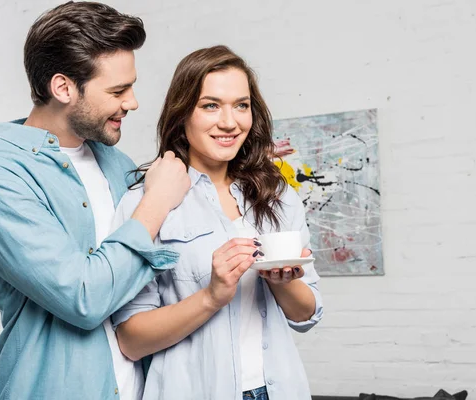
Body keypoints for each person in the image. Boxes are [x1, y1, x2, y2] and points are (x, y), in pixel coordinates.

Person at [0, 2, 190, 399]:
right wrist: (156, 203)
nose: (132, 102)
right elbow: (84, 296)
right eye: (118, 90)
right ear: (63, 88)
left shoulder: (118, 166)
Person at [111, 45, 324, 400]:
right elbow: (131, 340)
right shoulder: (146, 202)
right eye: (211, 105)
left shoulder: (278, 195)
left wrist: (282, 282)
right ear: (182, 115)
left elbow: (307, 315)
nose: (230, 122)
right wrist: (211, 296)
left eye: (241, 105)